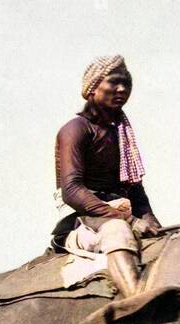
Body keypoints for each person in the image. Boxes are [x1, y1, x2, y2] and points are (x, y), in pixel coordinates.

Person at [53, 54, 162, 297]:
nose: (122, 89)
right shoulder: (76, 130)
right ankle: (137, 303)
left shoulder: (121, 133)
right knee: (117, 231)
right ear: (93, 88)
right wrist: (130, 221)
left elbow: (134, 189)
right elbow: (71, 190)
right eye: (114, 82)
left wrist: (152, 222)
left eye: (126, 83)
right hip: (86, 220)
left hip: (122, 213)